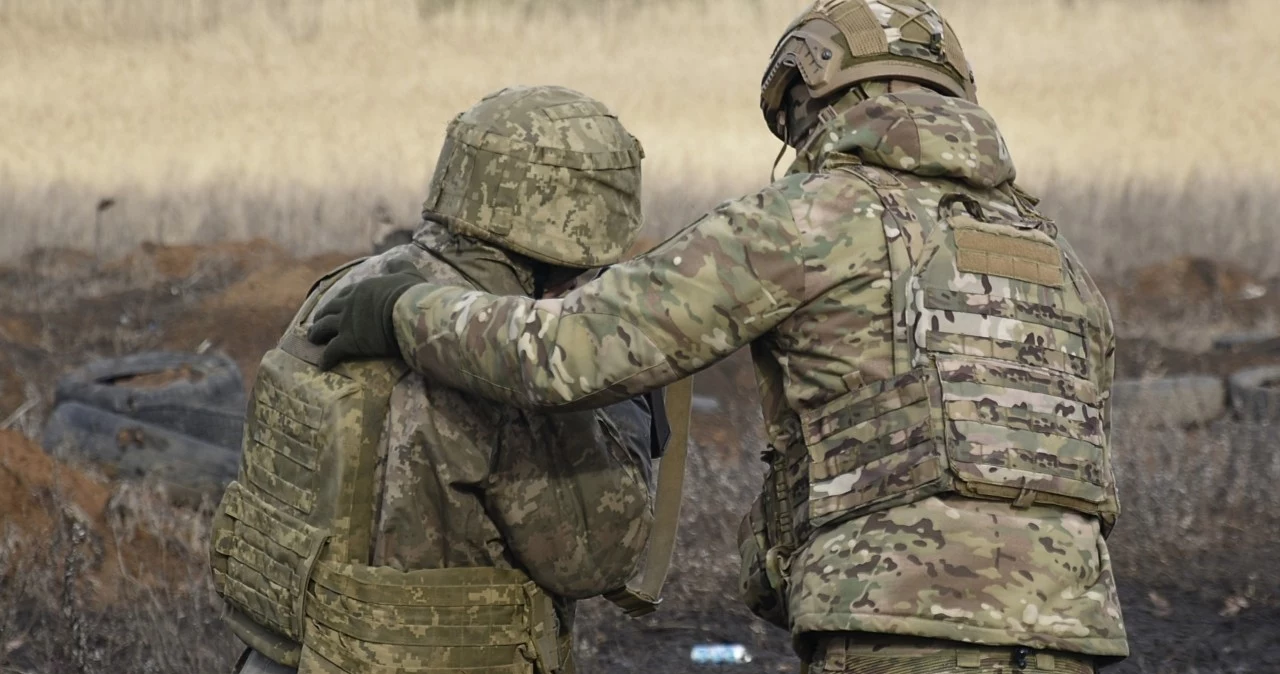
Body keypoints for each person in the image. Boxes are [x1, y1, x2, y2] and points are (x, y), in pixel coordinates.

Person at [309, 1, 1132, 671]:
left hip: (900, 616)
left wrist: (403, 312)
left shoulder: (811, 218)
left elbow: (568, 352)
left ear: (815, 98)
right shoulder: (1055, 256)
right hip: (1071, 624)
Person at [212, 85, 664, 674]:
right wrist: (621, 399)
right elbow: (596, 557)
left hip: (283, 653)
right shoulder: (503, 356)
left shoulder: (350, 286)